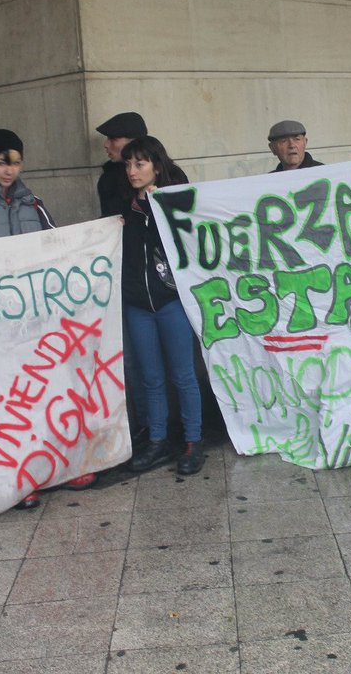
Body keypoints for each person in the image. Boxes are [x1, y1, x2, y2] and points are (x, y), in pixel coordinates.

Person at [0, 129, 97, 507]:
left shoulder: (35, 202)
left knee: (48, 390)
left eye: (16, 162)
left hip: (37, 319)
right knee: (8, 401)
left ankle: (61, 466)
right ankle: (19, 479)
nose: (10, 170)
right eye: (2, 162)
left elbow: (58, 248)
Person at [120, 136, 205, 476]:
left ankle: (193, 441)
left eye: (139, 164)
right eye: (128, 164)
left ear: (156, 166)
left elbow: (192, 242)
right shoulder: (126, 209)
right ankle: (157, 441)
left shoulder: (172, 204)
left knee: (184, 375)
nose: (132, 171)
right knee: (151, 377)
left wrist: (163, 208)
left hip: (172, 303)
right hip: (138, 306)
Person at [96, 111, 148, 218]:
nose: (106, 144)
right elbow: (110, 218)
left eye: (113, 139)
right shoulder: (108, 179)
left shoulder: (171, 174)